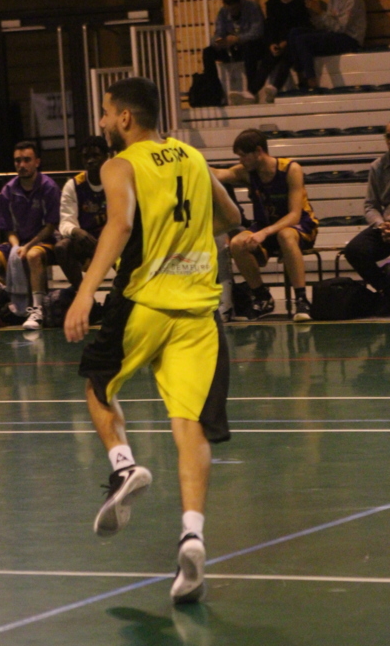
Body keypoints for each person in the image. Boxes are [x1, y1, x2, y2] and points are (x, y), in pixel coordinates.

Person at [64, 77, 241, 604]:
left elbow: (120, 225)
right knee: (189, 426)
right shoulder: (193, 157)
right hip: (199, 311)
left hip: (145, 301)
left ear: (124, 118)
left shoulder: (120, 164)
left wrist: (85, 293)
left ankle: (124, 468)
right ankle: (192, 535)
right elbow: (231, 218)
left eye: (104, 112)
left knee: (98, 383)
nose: (101, 122)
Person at [212, 129, 318, 322]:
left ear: (258, 151)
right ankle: (262, 296)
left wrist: (264, 233)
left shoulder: (291, 169)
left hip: (300, 225)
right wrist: (192, 161)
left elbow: (294, 216)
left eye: (243, 156)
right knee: (237, 243)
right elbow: (218, 174)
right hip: (266, 226)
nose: (240, 160)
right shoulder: (246, 172)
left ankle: (302, 299)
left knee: (285, 235)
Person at [0, 141, 61, 332]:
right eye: (18, 161)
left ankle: (37, 310)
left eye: (27, 160)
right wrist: (16, 247)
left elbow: (50, 226)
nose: (22, 165)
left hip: (45, 241)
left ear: (37, 162)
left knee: (33, 255)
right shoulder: (8, 190)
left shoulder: (49, 187)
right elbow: (8, 229)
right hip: (18, 242)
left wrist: (27, 247)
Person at [344, 118, 390, 311]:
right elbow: (371, 205)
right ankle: (389, 291)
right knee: (354, 250)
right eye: (389, 136)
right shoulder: (377, 167)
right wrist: (381, 226)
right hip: (386, 227)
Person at [287, 0, 367, 89]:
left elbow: (340, 28)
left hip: (350, 39)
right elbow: (326, 26)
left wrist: (321, 12)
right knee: (294, 33)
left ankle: (311, 80)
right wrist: (314, 13)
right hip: (335, 35)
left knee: (302, 40)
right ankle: (300, 74)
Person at [54, 136, 108, 291]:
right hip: (86, 241)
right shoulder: (73, 185)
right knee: (62, 247)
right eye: (86, 157)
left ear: (106, 157)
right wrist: (76, 231)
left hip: (113, 240)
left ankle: (124, 292)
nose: (90, 161)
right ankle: (81, 291)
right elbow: (65, 221)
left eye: (95, 156)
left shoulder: (116, 180)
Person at [253, 0, 311, 102]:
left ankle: (275, 87)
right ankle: (252, 91)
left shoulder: (299, 0)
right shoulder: (272, 3)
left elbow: (304, 24)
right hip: (279, 41)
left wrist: (286, 42)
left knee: (288, 55)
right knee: (268, 58)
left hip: (297, 39)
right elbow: (270, 27)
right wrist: (272, 44)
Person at [202, 0, 265, 101]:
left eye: (235, 8)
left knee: (249, 48)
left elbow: (258, 32)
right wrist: (220, 42)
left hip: (251, 47)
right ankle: (216, 93)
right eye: (229, 9)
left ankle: (251, 91)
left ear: (240, 3)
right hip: (231, 48)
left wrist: (238, 39)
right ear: (225, 5)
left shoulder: (252, 8)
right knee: (207, 52)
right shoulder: (223, 12)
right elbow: (218, 33)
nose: (232, 12)